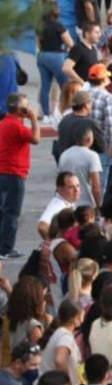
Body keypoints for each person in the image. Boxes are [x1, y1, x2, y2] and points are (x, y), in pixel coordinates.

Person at [0, 93, 41, 260]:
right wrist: (33, 119)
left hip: (3, 171)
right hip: (14, 173)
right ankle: (6, 248)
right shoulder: (17, 126)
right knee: (12, 212)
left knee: (3, 211)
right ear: (20, 109)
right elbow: (36, 139)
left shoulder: (4, 123)